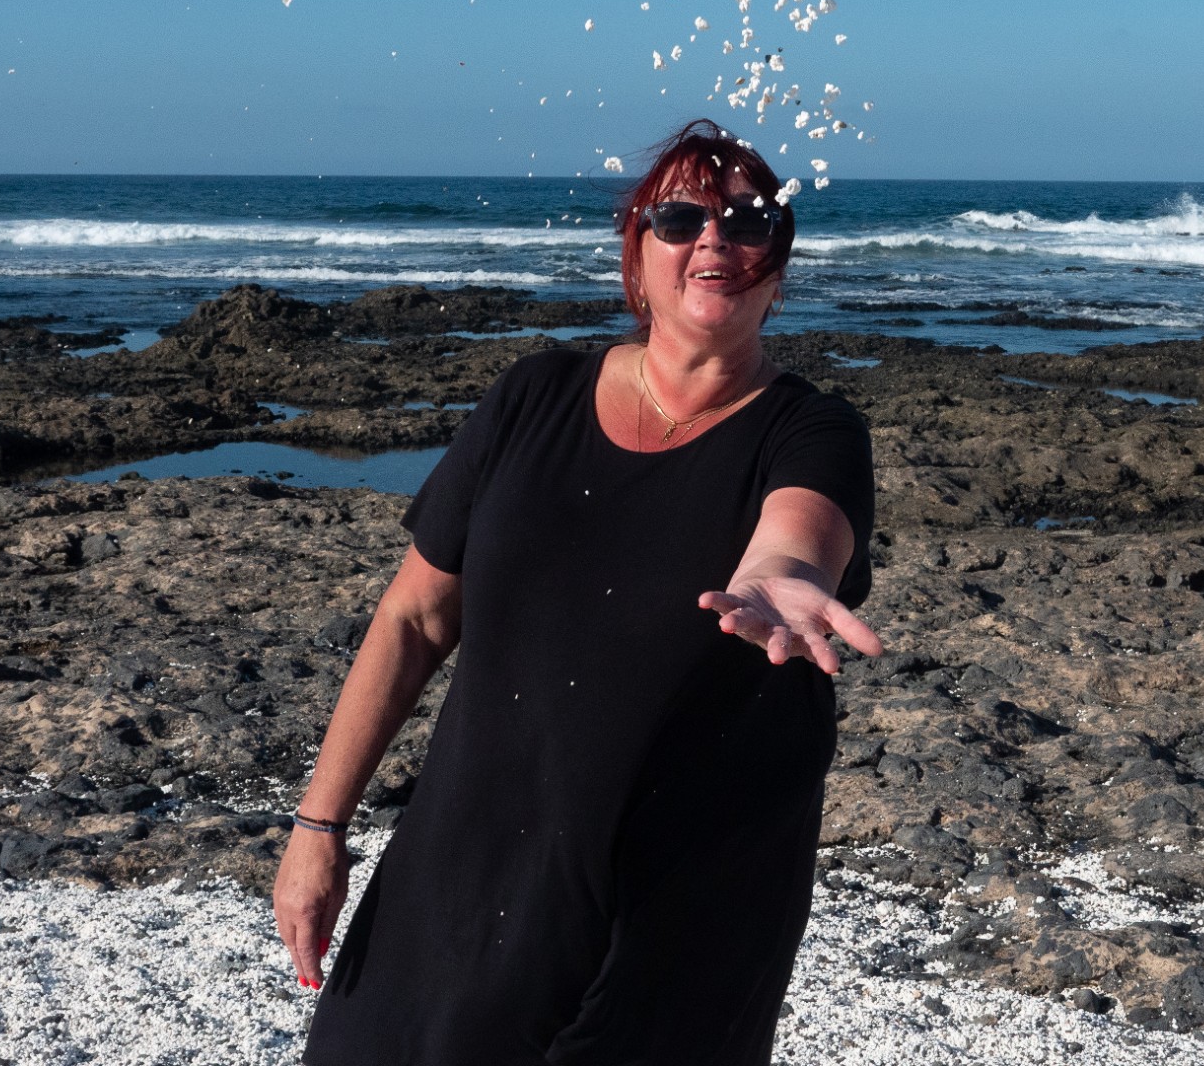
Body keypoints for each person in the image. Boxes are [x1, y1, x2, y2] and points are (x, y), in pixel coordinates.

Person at [275, 120, 883, 1066]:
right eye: (678, 219)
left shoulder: (813, 430)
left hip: (688, 898)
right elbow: (415, 617)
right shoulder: (533, 398)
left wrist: (782, 579)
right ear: (636, 258)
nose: (714, 239)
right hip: (473, 853)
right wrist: (319, 828)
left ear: (777, 270)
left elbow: (799, 536)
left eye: (749, 221)